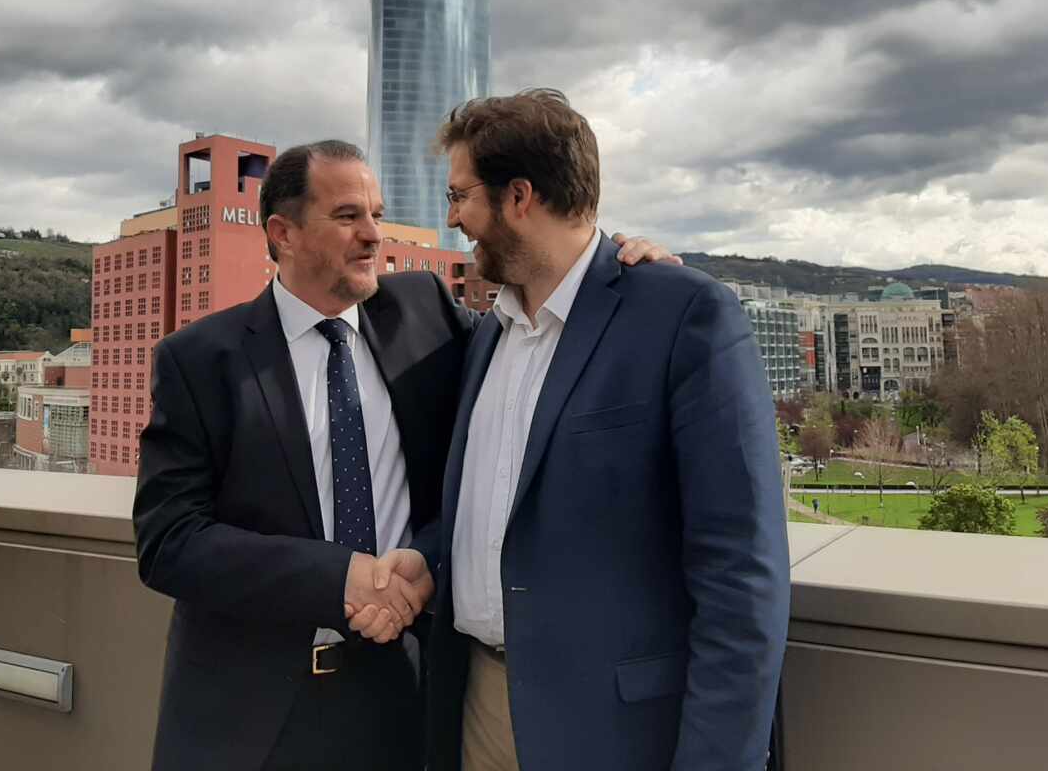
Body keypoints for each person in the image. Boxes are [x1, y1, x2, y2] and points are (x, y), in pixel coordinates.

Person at [134, 139, 675, 771]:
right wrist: (336, 577)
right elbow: (169, 541)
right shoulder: (201, 360)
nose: (372, 236)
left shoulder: (426, 313)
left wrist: (618, 271)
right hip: (249, 720)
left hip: (404, 697)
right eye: (347, 217)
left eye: (376, 214)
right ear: (282, 233)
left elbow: (545, 335)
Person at [408, 90, 790, 771]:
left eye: (461, 195)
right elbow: (494, 509)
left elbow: (741, 570)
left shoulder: (684, 315)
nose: (452, 217)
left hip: (612, 729)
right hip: (478, 708)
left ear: (519, 196)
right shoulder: (489, 335)